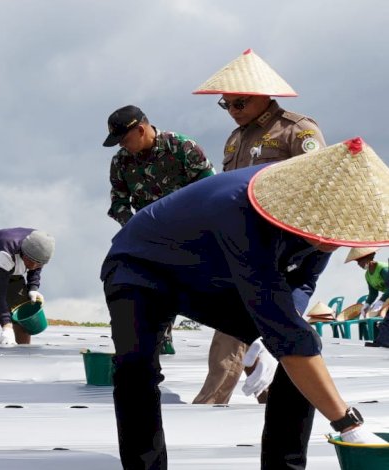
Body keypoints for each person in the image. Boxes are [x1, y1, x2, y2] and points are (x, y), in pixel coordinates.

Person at [101, 138, 388, 469]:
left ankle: (284, 466)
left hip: (210, 275)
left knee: (302, 346)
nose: (328, 242)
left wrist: (284, 325)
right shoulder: (243, 210)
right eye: (325, 231)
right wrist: (347, 423)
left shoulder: (327, 226)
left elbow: (302, 283)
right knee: (136, 367)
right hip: (141, 267)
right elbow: (272, 307)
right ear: (307, 205)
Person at [191, 49, 327, 405]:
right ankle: (269, 395)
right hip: (241, 240)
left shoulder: (297, 130)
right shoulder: (236, 139)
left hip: (285, 242)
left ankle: (212, 401)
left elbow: (320, 185)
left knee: (256, 320)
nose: (233, 111)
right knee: (248, 319)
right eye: (227, 105)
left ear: (264, 96)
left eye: (239, 103)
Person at [103, 104, 215, 355]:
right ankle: (154, 340)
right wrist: (132, 227)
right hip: (147, 236)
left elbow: (212, 192)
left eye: (124, 139)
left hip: (189, 233)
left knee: (185, 287)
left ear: (141, 130)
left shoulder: (183, 148)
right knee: (140, 285)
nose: (122, 145)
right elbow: (119, 202)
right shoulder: (120, 162)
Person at [345, 247, 389, 318]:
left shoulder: (384, 269)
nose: (358, 264)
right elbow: (373, 293)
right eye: (357, 262)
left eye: (360, 260)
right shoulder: (367, 275)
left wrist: (381, 301)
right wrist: (367, 304)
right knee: (370, 315)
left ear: (368, 258)